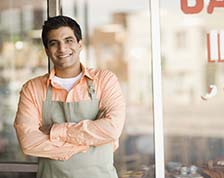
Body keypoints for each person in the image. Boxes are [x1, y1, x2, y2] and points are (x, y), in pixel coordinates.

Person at [14, 15, 126, 178]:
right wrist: (90, 144)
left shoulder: (104, 80)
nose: (62, 48)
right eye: (54, 43)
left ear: (80, 45)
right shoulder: (32, 88)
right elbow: (29, 143)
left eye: (68, 40)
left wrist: (55, 131)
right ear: (46, 50)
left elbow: (112, 129)